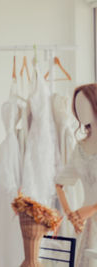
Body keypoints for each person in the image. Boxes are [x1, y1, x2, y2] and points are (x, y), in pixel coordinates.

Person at [56, 83, 97, 267]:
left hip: (88, 214)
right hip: (86, 224)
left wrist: (93, 208)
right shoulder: (80, 148)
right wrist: (71, 214)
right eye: (77, 105)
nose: (79, 111)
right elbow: (59, 183)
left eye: (84, 104)